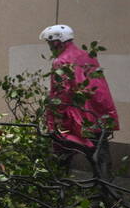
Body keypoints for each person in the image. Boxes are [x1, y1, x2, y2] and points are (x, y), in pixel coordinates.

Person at [39, 24, 119, 176]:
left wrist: (54, 120)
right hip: (98, 114)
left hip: (74, 118)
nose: (49, 47)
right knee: (100, 157)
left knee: (63, 152)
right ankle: (107, 193)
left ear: (57, 42)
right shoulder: (88, 56)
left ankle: (60, 188)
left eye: (49, 43)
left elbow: (61, 94)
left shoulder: (60, 61)